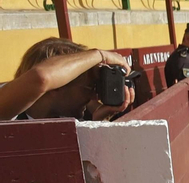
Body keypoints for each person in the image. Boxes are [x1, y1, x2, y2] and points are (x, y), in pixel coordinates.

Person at [1, 38, 132, 121]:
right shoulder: (9, 110)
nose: (93, 96)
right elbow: (41, 77)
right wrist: (100, 55)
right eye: (89, 88)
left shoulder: (67, 121)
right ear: (56, 86)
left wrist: (98, 122)